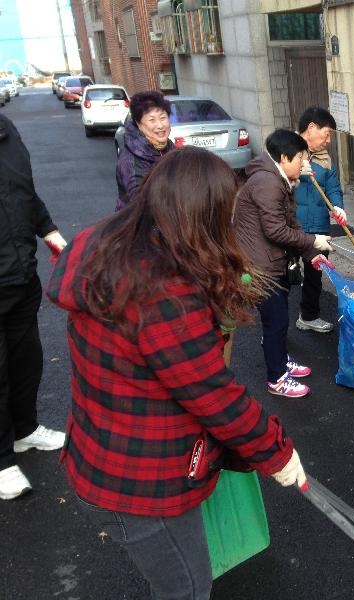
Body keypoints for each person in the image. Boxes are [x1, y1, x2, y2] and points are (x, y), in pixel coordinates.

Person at [46, 147, 307, 599]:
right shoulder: (163, 294)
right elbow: (213, 394)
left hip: (101, 450)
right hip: (141, 482)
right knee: (186, 588)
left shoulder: (104, 243)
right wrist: (277, 453)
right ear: (201, 216)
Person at [234, 129, 332, 398]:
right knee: (275, 321)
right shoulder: (268, 182)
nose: (304, 163)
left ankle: (280, 360)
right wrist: (313, 240)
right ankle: (276, 379)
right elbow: (276, 231)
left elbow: (291, 223)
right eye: (300, 158)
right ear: (284, 157)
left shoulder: (278, 178)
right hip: (260, 265)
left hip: (270, 260)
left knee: (278, 320)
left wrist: (312, 252)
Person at [0, 114, 67, 501]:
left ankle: (24, 430)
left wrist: (50, 232)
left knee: (27, 361)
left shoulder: (6, 130)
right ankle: (2, 460)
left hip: (21, 276)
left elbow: (24, 192)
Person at [294, 107, 346, 334]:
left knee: (315, 274)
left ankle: (308, 316)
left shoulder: (325, 159)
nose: (329, 140)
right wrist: (296, 169)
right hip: (290, 227)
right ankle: (273, 324)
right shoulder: (286, 150)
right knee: (282, 274)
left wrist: (338, 207)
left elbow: (333, 187)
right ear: (311, 128)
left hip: (318, 227)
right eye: (327, 134)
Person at [115, 90, 175, 211]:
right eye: (152, 120)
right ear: (139, 124)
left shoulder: (170, 147)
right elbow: (140, 203)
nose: (160, 125)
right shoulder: (130, 159)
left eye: (163, 118)